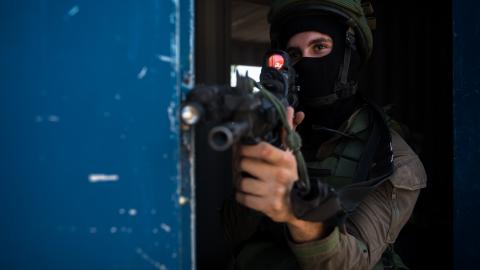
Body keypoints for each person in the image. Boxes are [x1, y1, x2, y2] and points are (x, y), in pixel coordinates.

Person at [222, 0, 427, 269]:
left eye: (319, 47)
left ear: (347, 55)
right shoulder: (275, 134)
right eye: (294, 54)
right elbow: (233, 235)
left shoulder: (391, 156)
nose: (305, 62)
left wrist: (297, 213)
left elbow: (351, 262)